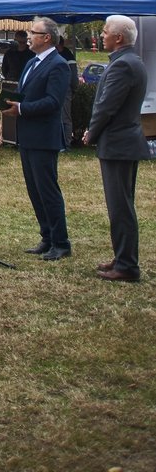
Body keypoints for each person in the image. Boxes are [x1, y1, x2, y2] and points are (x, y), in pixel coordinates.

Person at [82, 15, 150, 283]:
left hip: (119, 144)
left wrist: (91, 131)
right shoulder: (131, 61)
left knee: (120, 207)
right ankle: (122, 257)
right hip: (124, 142)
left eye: (106, 31)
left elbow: (106, 106)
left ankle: (127, 265)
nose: (101, 34)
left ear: (118, 37)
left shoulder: (123, 66)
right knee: (122, 205)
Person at [3, 17, 71, 260]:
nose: (28, 35)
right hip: (28, 135)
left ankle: (61, 242)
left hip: (44, 137)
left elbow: (53, 102)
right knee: (34, 190)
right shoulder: (32, 62)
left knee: (47, 190)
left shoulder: (58, 65)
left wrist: (21, 109)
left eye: (34, 32)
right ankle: (47, 237)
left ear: (47, 38)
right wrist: (9, 103)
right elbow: (26, 93)